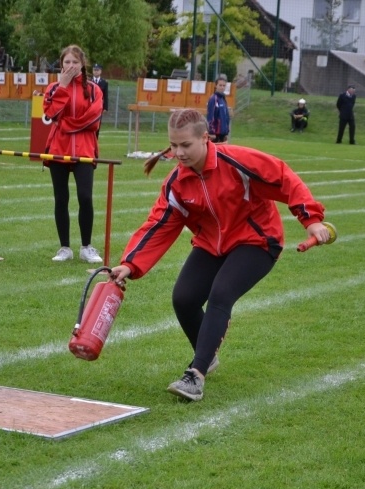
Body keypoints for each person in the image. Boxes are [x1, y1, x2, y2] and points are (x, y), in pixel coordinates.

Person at [109, 108, 331, 402]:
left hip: (257, 241)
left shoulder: (237, 161)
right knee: (184, 298)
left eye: (186, 145)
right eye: (173, 145)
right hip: (211, 244)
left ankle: (196, 374)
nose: (178, 153)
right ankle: (207, 355)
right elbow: (159, 225)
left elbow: (283, 178)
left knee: (221, 293)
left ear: (205, 138)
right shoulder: (177, 182)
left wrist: (311, 220)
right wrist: (130, 264)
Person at [42, 44, 104, 264]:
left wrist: (66, 125)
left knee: (85, 197)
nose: (70, 66)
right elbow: (51, 113)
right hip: (58, 148)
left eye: (75, 62)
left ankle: (86, 247)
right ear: (61, 64)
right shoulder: (53, 88)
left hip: (85, 149)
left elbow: (93, 120)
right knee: (61, 198)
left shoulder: (94, 90)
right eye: (67, 62)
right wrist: (63, 87)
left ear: (82, 64)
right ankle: (64, 248)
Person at [206, 74, 230, 143]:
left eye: (224, 86)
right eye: (220, 85)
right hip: (215, 134)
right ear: (216, 86)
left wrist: (226, 132)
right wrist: (211, 132)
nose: (222, 87)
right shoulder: (213, 99)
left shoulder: (223, 99)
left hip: (223, 134)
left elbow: (226, 117)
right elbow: (210, 116)